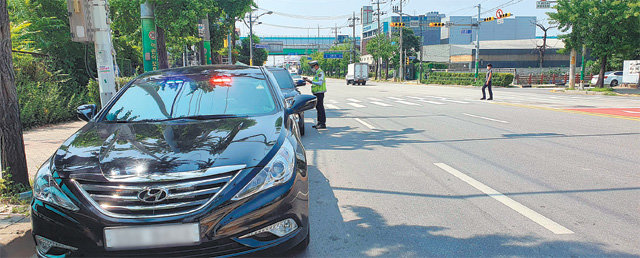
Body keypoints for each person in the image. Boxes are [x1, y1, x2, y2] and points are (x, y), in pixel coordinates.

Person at [304, 61, 327, 129]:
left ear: (316, 66)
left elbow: (319, 83)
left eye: (312, 67)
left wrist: (310, 81)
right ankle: (319, 123)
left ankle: (322, 123)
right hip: (316, 93)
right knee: (318, 108)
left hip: (320, 92)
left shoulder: (320, 73)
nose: (312, 68)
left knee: (320, 108)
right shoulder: (317, 73)